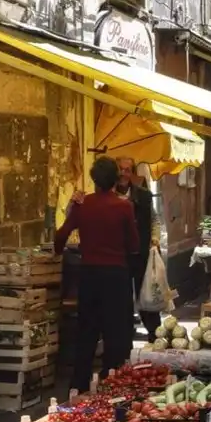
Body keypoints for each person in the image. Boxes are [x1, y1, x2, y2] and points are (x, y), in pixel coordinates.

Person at [54, 157, 139, 392]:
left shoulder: (84, 205)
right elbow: (134, 244)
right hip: (116, 276)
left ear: (94, 179)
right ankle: (112, 382)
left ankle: (79, 382)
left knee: (87, 329)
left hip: (89, 274)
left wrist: (59, 249)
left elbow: (60, 236)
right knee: (116, 330)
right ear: (115, 179)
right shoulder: (124, 206)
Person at [114, 158, 162, 339]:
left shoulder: (143, 195)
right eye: (120, 169)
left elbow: (154, 219)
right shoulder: (108, 196)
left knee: (147, 294)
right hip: (119, 256)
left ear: (132, 173)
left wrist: (155, 238)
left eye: (127, 170)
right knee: (122, 298)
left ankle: (154, 333)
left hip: (141, 254)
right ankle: (124, 336)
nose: (123, 174)